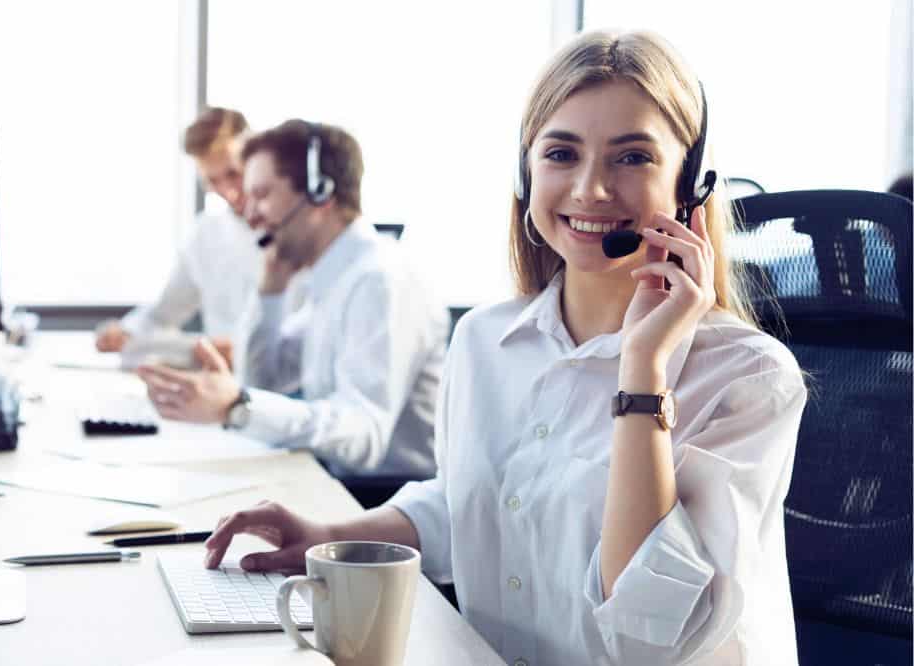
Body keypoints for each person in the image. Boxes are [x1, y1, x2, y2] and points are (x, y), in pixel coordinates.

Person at [200, 30, 808, 666]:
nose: (591, 189)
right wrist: (331, 537)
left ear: (690, 182)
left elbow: (648, 639)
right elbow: (473, 503)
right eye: (561, 154)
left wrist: (642, 371)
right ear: (526, 171)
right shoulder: (486, 342)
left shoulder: (748, 375)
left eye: (632, 158)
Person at [136, 119, 450, 484]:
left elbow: (365, 437)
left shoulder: (378, 281)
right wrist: (269, 292)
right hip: (338, 481)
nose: (249, 215)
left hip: (380, 497)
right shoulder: (331, 278)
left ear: (320, 193)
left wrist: (239, 407)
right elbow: (264, 381)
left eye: (263, 195)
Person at [94, 107, 261, 370]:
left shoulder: (296, 231)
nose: (229, 192)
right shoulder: (206, 234)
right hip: (219, 383)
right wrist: (126, 332)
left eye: (233, 174)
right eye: (213, 181)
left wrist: (244, 349)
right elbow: (164, 313)